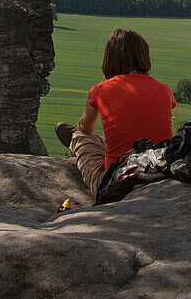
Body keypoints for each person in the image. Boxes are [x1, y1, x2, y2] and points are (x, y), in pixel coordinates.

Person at [55, 28, 176, 196]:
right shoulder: (164, 89)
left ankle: (75, 143)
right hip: (161, 174)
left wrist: (80, 131)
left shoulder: (101, 90)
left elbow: (86, 128)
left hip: (118, 184)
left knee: (81, 136)